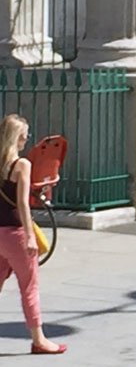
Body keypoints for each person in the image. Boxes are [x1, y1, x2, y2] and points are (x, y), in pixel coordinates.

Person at [0, 115, 66, 355]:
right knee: (29, 287)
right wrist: (29, 235)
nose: (27, 140)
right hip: (15, 234)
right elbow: (22, 204)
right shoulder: (22, 165)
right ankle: (39, 340)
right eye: (25, 135)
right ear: (17, 138)